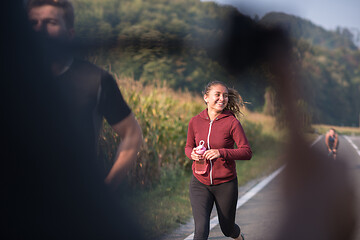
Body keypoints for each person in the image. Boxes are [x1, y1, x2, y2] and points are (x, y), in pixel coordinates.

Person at [26, 0, 143, 190]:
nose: (40, 29)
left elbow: (132, 134)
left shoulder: (94, 79)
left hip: (75, 204)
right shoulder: (10, 78)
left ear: (70, 34)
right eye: (33, 23)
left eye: (51, 22)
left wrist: (106, 189)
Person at [185, 81, 252, 240]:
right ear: (206, 97)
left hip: (225, 183)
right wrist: (191, 154)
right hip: (199, 182)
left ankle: (239, 237)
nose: (222, 99)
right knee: (200, 232)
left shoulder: (232, 122)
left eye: (225, 96)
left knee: (227, 229)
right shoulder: (195, 121)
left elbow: (246, 152)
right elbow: (188, 146)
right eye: (218, 95)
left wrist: (221, 152)